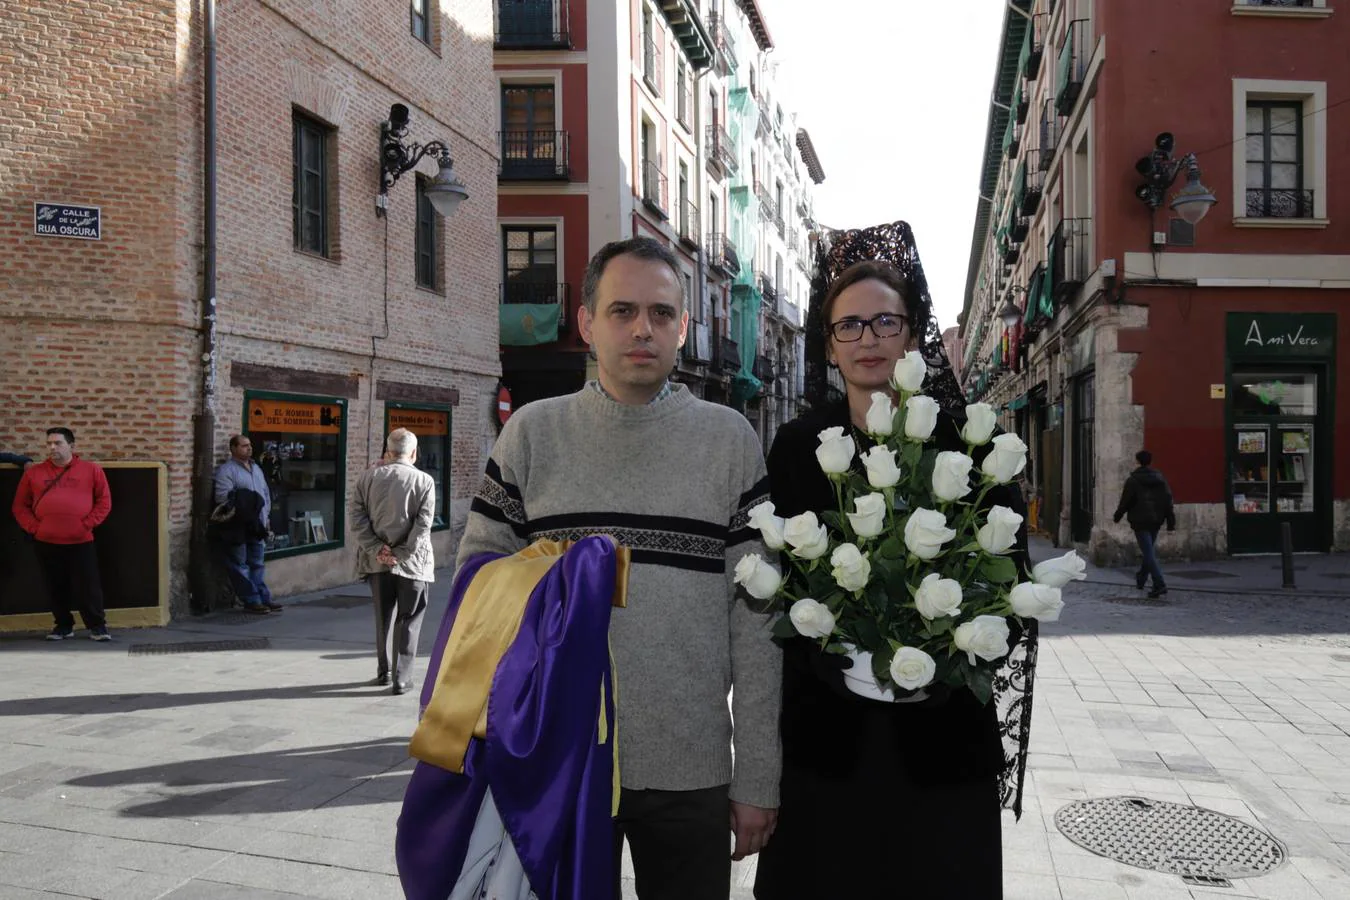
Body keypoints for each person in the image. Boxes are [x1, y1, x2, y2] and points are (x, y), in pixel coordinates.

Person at [453, 236, 781, 899]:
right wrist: (478, 749)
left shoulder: (730, 443)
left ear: (683, 329)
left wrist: (758, 779)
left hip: (688, 766)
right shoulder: (531, 436)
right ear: (586, 323)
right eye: (622, 310)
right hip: (558, 763)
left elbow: (757, 627)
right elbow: (475, 601)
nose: (642, 329)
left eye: (661, 314)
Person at [753, 222, 1035, 900]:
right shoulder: (798, 446)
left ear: (912, 334)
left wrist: (944, 643)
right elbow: (780, 585)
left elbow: (1013, 584)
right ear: (829, 344)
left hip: (941, 743)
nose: (868, 339)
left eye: (885, 321)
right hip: (829, 741)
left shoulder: (970, 440)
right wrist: (839, 643)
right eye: (848, 326)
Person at [350, 427, 436, 695]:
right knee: (409, 617)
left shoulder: (368, 477)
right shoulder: (424, 481)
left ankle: (383, 671)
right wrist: (400, 554)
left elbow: (356, 518)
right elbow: (423, 525)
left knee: (382, 616)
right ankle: (402, 677)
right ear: (413, 452)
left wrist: (378, 549)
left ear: (388, 451)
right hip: (412, 563)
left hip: (377, 562)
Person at [11, 427, 113, 641]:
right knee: (55, 585)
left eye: (58, 443)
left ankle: (97, 627)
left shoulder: (91, 470)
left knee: (88, 585)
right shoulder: (34, 473)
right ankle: (63, 626)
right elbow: (20, 506)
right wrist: (35, 528)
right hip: (46, 540)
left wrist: (86, 525)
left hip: (81, 539)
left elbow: (104, 501)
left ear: (72, 446)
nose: (52, 447)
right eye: (49, 443)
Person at [212, 434, 281, 613]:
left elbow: (265, 493)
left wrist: (266, 518)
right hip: (238, 525)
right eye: (244, 446)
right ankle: (251, 600)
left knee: (257, 562)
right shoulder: (227, 471)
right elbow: (222, 496)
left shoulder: (256, 468)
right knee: (239, 564)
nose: (249, 448)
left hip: (257, 524)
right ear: (233, 449)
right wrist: (246, 500)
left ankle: (264, 598)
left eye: (249, 445)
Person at [1113, 449, 1176, 598]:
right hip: (1156, 519)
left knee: (1148, 552)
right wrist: (1170, 521)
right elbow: (1168, 500)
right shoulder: (1160, 479)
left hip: (1140, 520)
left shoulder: (1133, 480)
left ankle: (1159, 583)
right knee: (1148, 551)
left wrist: (1117, 516)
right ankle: (1141, 576)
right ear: (1150, 461)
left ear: (1137, 461)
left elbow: (1125, 502)